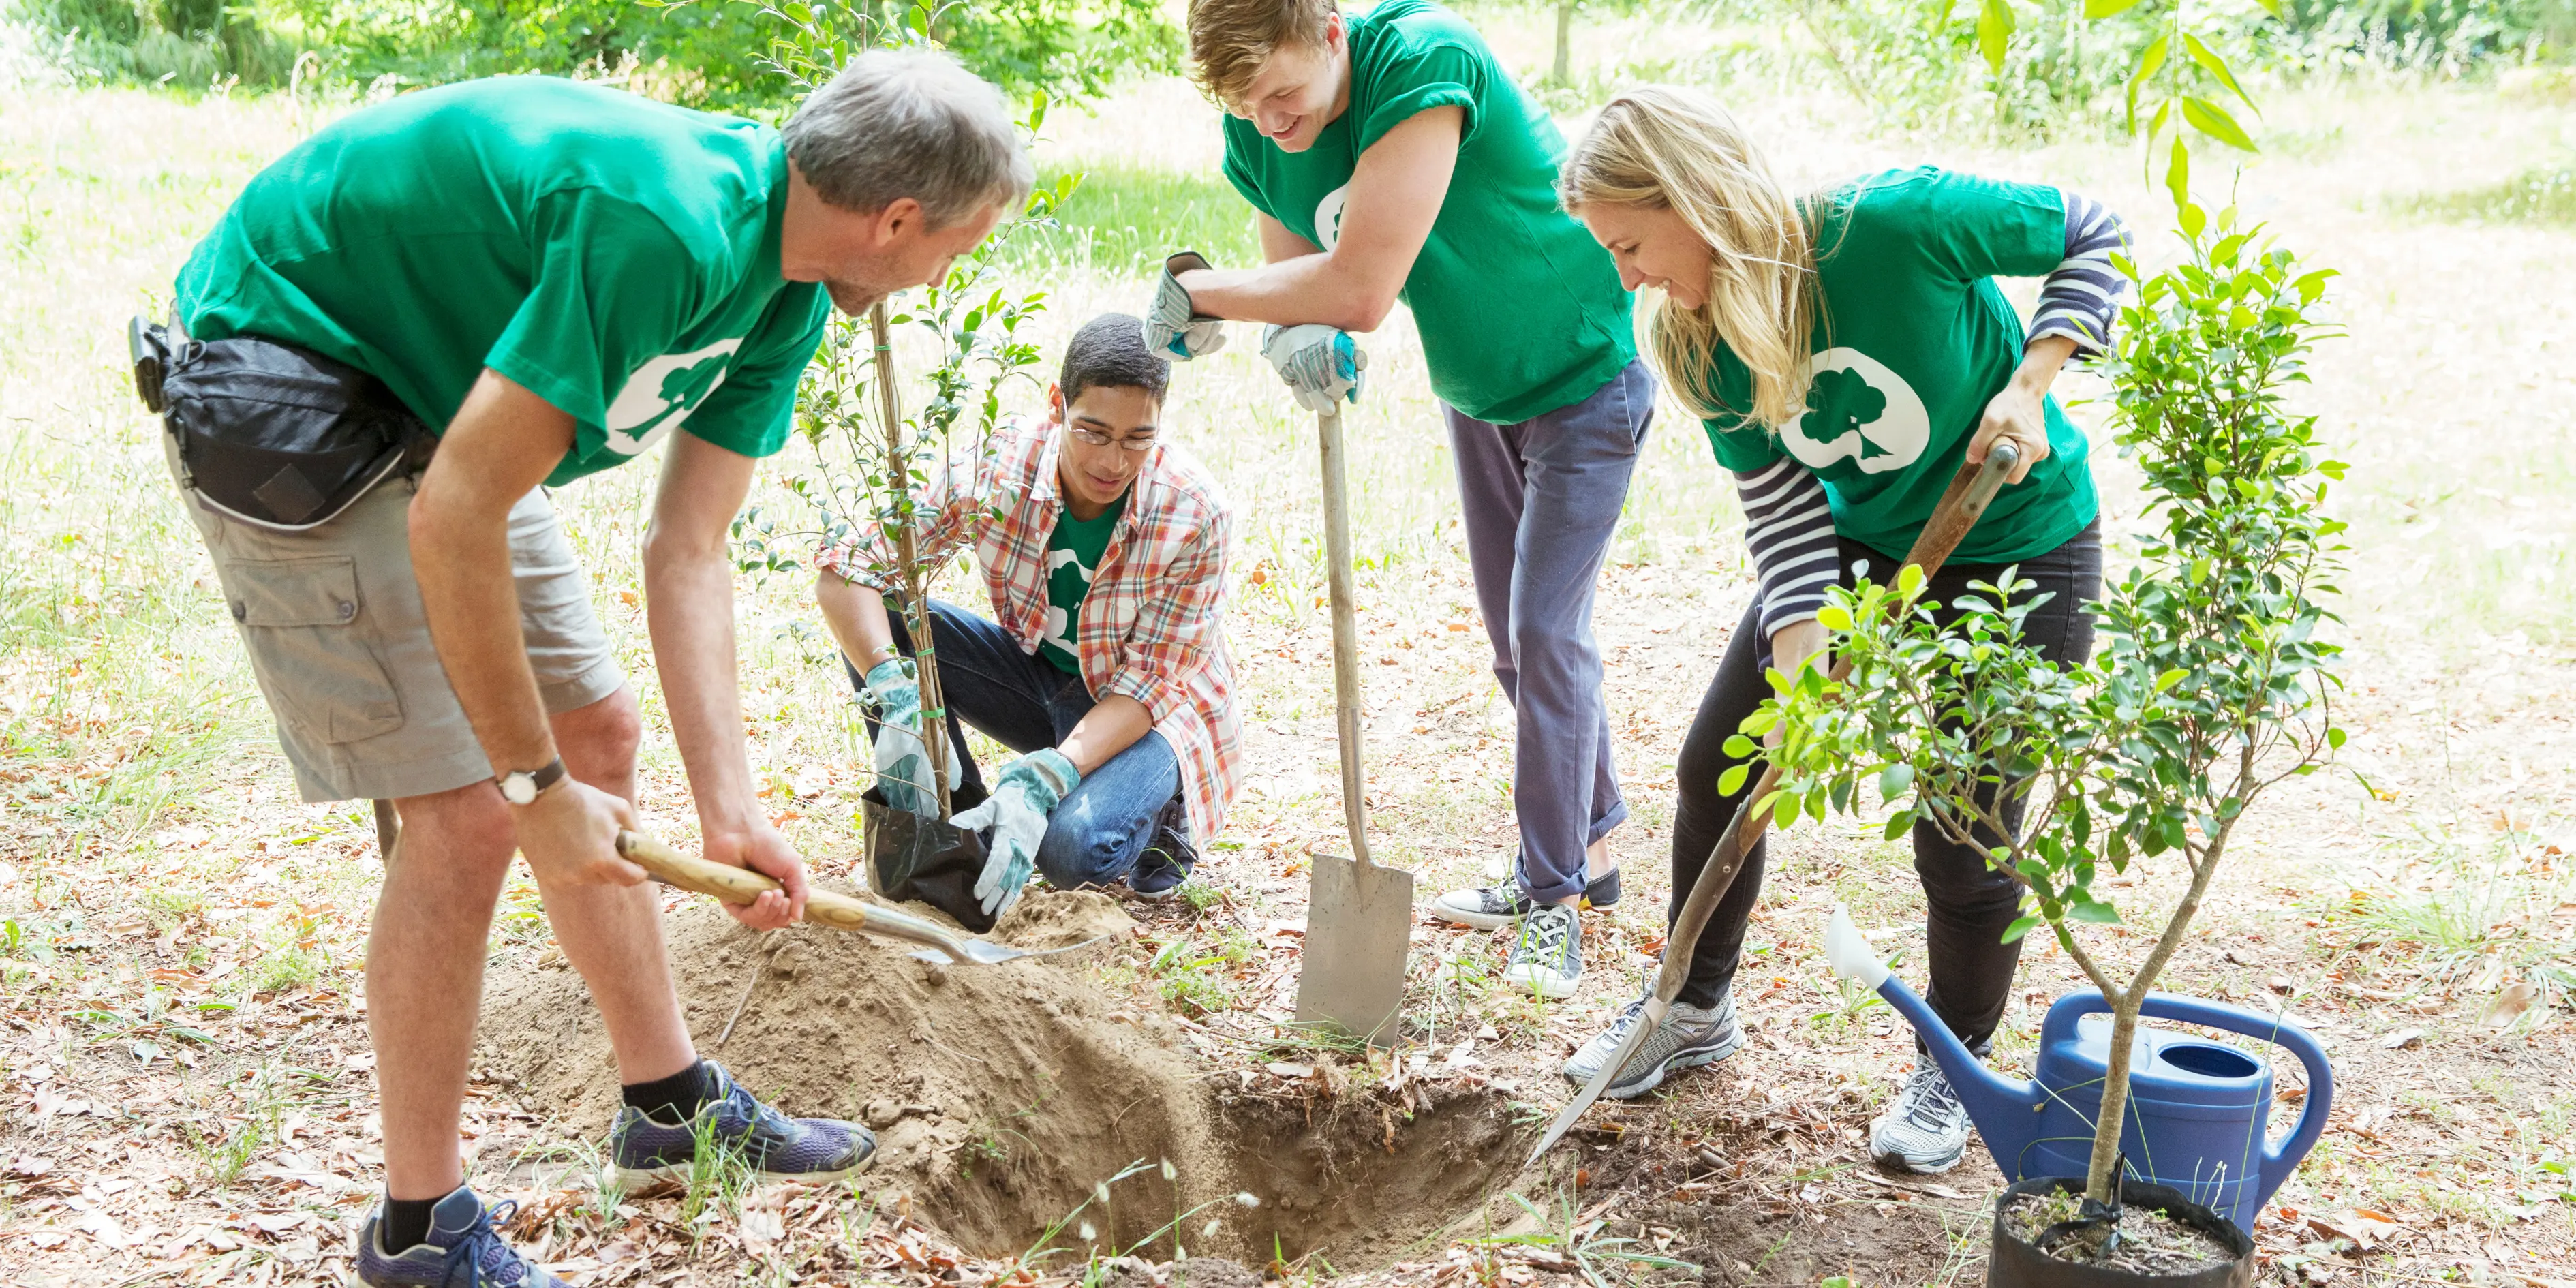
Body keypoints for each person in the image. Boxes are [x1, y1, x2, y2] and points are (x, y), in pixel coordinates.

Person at [158, 52, 1030, 1285]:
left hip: (449, 409)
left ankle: (666, 1103)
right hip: (297, 381)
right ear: (895, 221)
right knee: (467, 816)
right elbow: (456, 511)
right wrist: (529, 792)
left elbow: (688, 546)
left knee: (598, 738)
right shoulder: (663, 227)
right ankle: (419, 1230)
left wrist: (731, 815)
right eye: (960, 245)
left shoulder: (792, 280)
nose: (949, 268)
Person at [1553, 85, 2131, 1173]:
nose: (1627, 275)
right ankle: (1691, 1006)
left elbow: (2092, 229)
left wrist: (2029, 382)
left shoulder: (1897, 224)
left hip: (2023, 540)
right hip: (1864, 552)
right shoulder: (1696, 338)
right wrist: (1799, 642)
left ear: (1692, 197)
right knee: (1720, 766)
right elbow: (1779, 507)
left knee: (1965, 835)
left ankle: (1953, 1063)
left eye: (1631, 244)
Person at [1150, 0, 1644, 998]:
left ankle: (1550, 903)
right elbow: (1300, 282)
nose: (1269, 122)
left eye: (1283, 95)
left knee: (1548, 634)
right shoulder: (1262, 130)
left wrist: (1206, 295)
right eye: (1244, 106)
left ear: (1330, 29)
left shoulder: (1423, 60)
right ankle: (1592, 853)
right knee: (1519, 641)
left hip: (1586, 371)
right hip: (1481, 391)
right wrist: (1294, 341)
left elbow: (1361, 289)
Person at [815, 313, 1241, 914]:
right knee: (885, 620)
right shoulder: (997, 468)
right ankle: (962, 829)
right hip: (1041, 677)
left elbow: (1149, 687)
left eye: (1137, 440)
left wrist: (1049, 775)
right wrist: (891, 685)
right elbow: (850, 568)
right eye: (1093, 431)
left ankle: (1162, 815)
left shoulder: (1196, 514)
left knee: (1071, 851)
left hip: (1147, 715)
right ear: (1056, 405)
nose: (1114, 462)